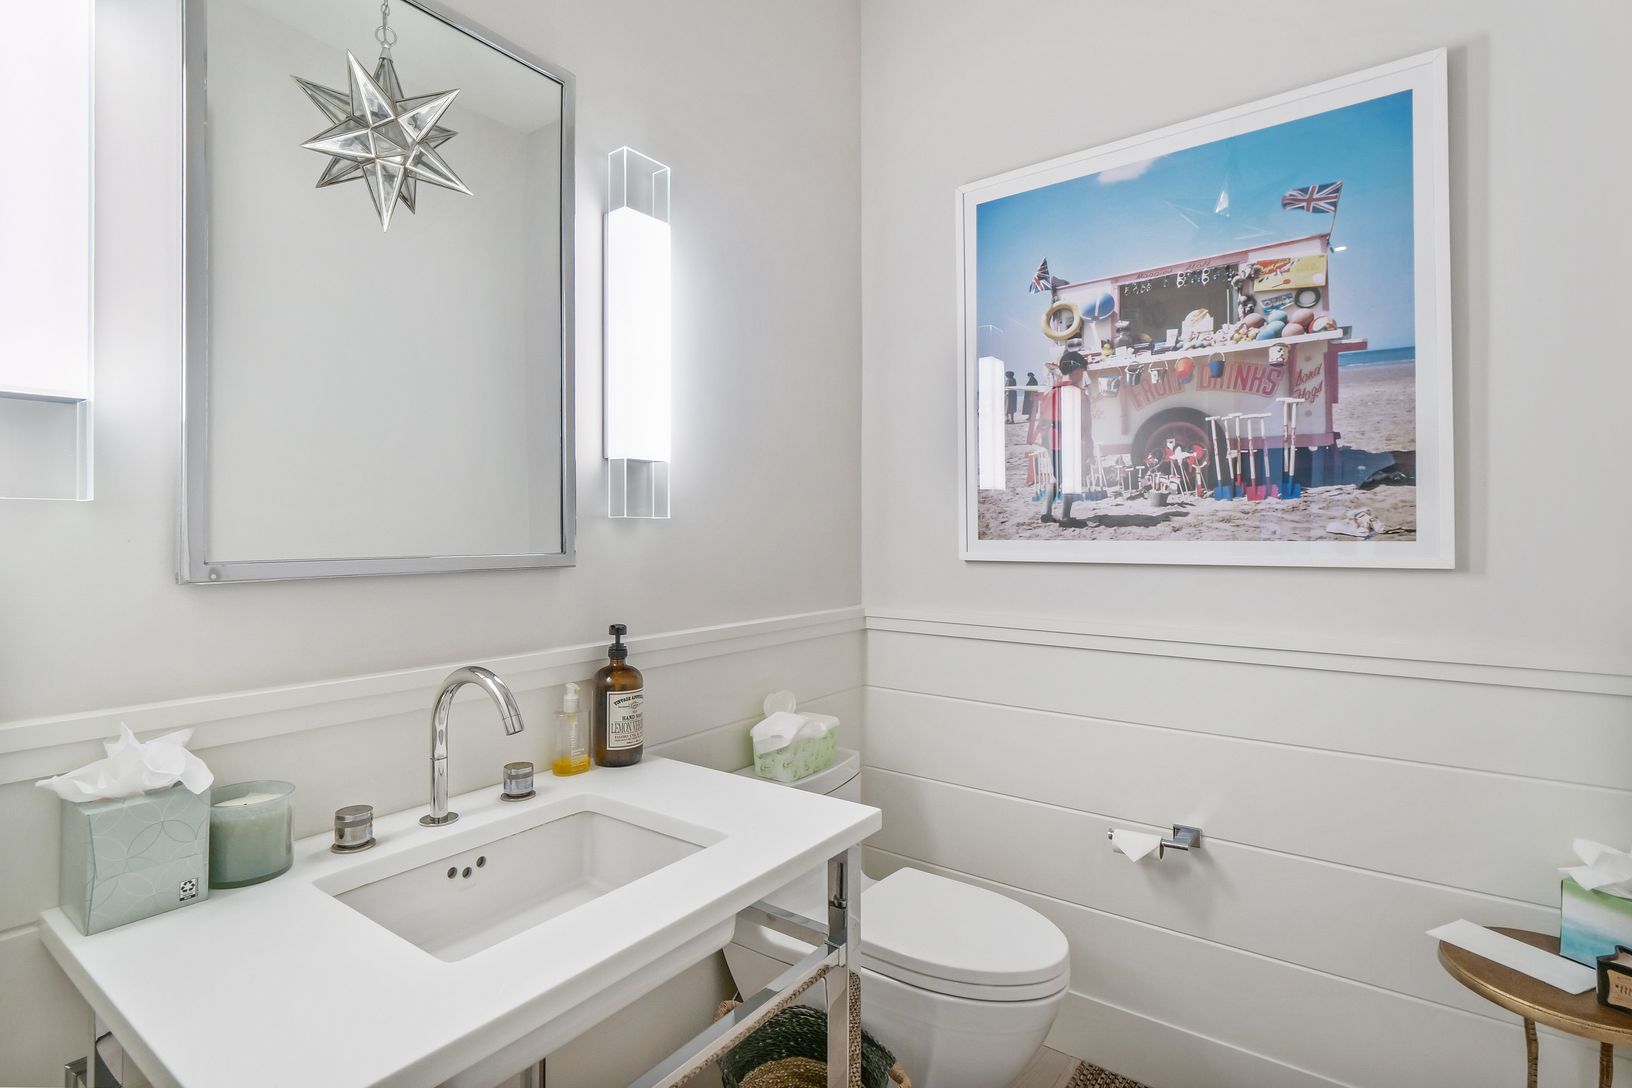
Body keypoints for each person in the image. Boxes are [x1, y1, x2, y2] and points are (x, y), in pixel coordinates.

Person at [1026, 353, 1094, 528]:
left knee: (1056, 477)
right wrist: (1088, 445)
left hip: (1053, 442)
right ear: (1077, 371)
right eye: (1082, 372)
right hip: (1072, 442)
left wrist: (1047, 441)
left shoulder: (1050, 393)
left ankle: (1047, 512)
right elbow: (1086, 424)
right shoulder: (1080, 394)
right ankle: (1065, 517)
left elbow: (1043, 422)